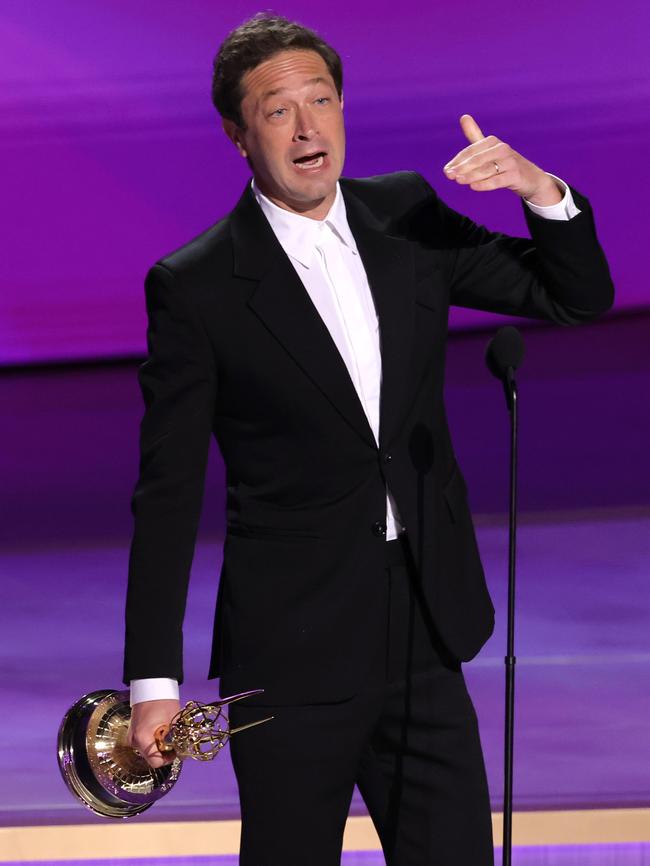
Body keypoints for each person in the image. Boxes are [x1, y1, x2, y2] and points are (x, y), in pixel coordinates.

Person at [124, 12, 614, 865]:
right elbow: (166, 493)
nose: (309, 126)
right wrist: (153, 683)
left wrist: (539, 189)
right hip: (291, 649)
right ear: (240, 136)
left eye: (322, 100)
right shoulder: (195, 286)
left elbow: (576, 296)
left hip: (426, 621)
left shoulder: (407, 216)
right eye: (280, 110)